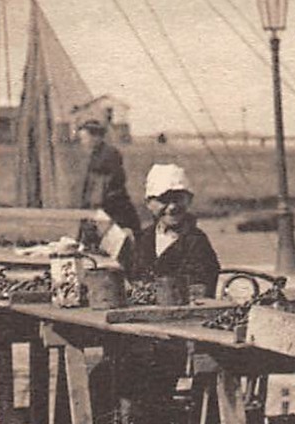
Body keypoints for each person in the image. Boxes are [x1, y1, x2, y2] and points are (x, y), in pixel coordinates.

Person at [130, 164, 221, 298]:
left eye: (178, 199)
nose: (172, 207)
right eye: (164, 200)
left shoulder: (196, 241)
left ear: (189, 200)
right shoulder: (144, 238)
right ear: (149, 204)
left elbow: (202, 287)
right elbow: (134, 277)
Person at [77, 119, 142, 267]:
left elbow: (114, 180)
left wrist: (98, 201)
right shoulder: (96, 154)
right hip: (105, 203)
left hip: (114, 204)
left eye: (85, 138)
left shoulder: (109, 154)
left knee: (122, 239)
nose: (83, 142)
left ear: (96, 137)